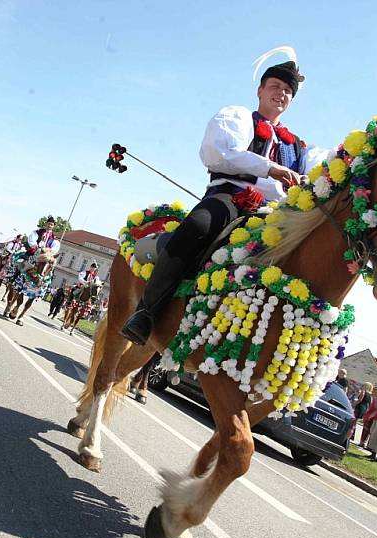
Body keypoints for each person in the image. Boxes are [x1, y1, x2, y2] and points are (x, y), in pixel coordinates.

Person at [121, 56, 328, 344]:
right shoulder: (240, 117)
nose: (281, 93)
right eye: (275, 86)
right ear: (260, 90)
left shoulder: (298, 145)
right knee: (198, 227)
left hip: (277, 213)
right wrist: (271, 168)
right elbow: (220, 152)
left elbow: (325, 168)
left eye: (287, 91)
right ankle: (146, 313)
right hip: (232, 198)